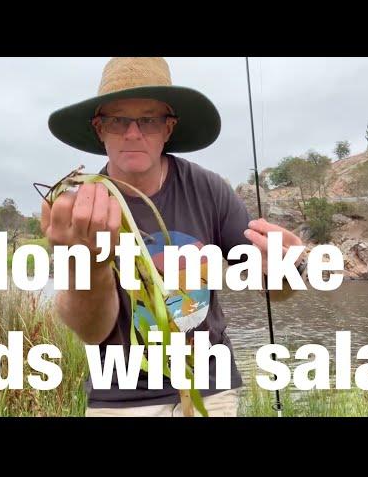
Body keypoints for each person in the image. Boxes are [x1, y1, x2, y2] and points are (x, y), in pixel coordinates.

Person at [42, 57, 304, 417]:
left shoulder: (209, 189)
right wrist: (93, 264)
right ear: (99, 128)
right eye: (118, 121)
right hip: (120, 396)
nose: (133, 133)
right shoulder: (81, 208)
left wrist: (289, 268)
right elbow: (91, 331)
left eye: (148, 120)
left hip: (211, 388)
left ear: (168, 128)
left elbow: (275, 289)